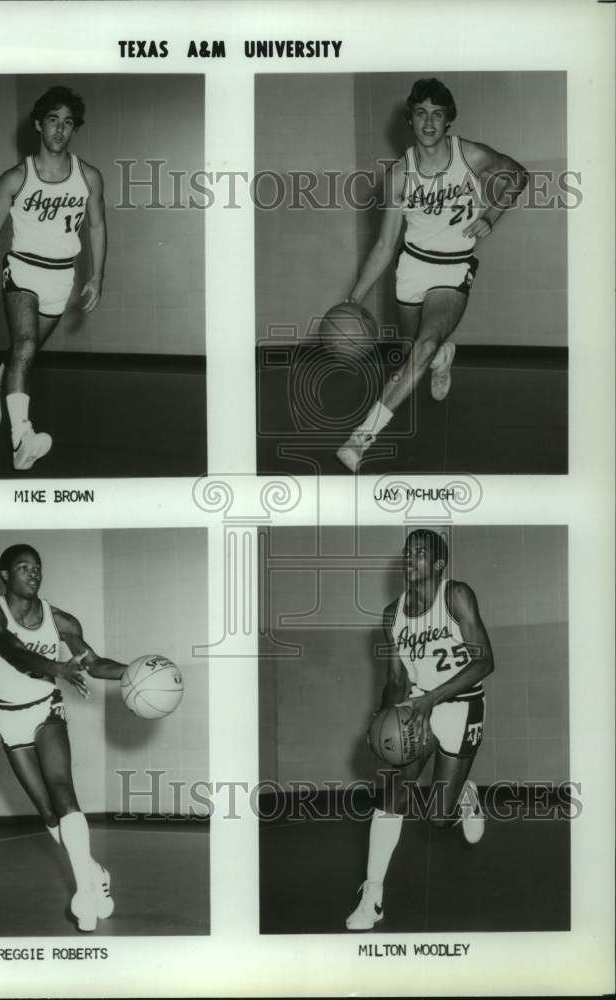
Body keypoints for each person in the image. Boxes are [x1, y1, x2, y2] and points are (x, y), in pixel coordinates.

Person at [337, 78, 528, 472]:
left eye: (437, 114)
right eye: (421, 113)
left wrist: (491, 214)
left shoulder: (469, 156)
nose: (428, 122)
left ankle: (361, 438)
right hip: (412, 267)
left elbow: (518, 174)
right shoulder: (399, 175)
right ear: (410, 120)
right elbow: (384, 245)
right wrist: (353, 299)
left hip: (454, 267)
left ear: (448, 121)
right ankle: (443, 353)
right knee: (416, 353)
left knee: (420, 347)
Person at [346, 529, 493, 931]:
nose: (410, 559)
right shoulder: (392, 615)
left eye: (420, 554)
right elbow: (395, 681)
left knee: (439, 820)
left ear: (440, 563)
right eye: (407, 553)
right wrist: (379, 720)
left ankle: (466, 794)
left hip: (463, 707)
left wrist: (430, 701)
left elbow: (484, 663)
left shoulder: (456, 595)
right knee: (394, 796)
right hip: (417, 706)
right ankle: (373, 895)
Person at [0, 544, 126, 932]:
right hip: (8, 719)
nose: (33, 573)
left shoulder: (60, 620)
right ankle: (96, 873)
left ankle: (84, 894)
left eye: (38, 567)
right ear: (5, 575)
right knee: (46, 813)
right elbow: (15, 653)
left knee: (63, 793)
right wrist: (57, 666)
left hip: (47, 709)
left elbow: (93, 664)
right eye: (24, 567)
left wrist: (136, 672)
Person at [0, 85, 106, 471]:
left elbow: (96, 227)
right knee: (25, 346)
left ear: (74, 129)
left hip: (61, 276)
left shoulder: (89, 176)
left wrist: (96, 275)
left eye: (68, 123)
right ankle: (22, 439)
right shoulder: (15, 177)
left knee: (23, 355)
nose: (60, 129)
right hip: (22, 269)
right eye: (52, 121)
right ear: (37, 125)